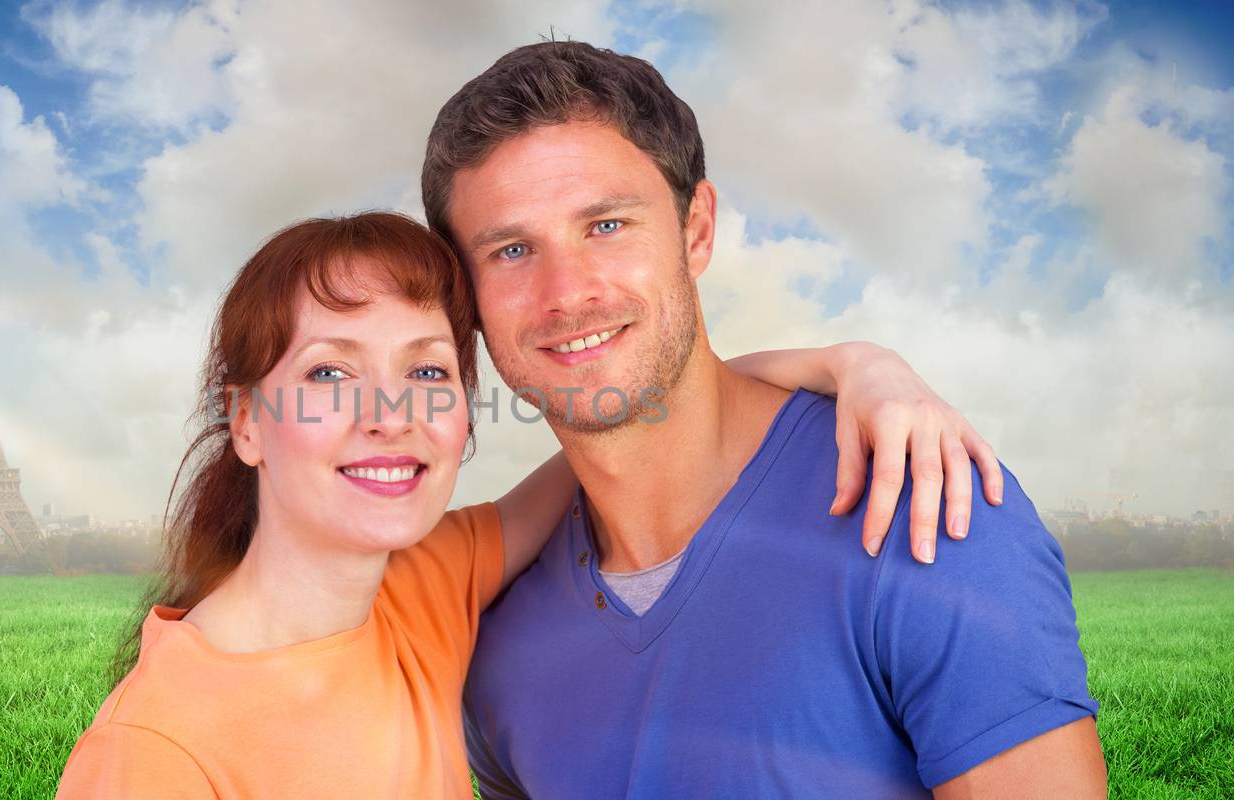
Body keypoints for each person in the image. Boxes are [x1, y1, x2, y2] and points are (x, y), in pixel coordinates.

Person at [53, 212, 1002, 798]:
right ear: (247, 423)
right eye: (331, 374)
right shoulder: (153, 752)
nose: (391, 417)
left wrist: (857, 364)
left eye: (426, 370)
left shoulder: (422, 586)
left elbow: (650, 414)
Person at [429, 42, 1107, 798]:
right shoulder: (498, 643)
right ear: (469, 301)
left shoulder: (926, 510)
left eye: (608, 226)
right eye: (513, 249)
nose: (567, 291)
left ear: (696, 231)